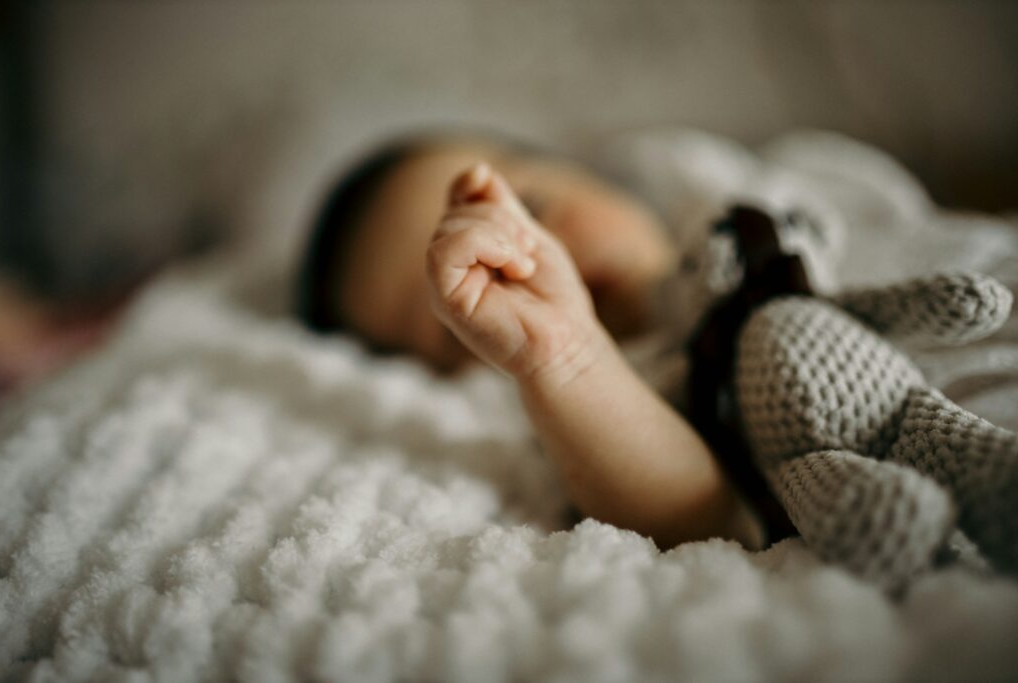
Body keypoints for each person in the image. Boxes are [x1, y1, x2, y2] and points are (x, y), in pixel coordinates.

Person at [297, 132, 762, 550]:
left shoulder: (726, 189)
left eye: (532, 210)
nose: (525, 264)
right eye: (460, 316)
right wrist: (566, 354)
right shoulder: (585, 419)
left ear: (583, 172)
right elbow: (707, 516)